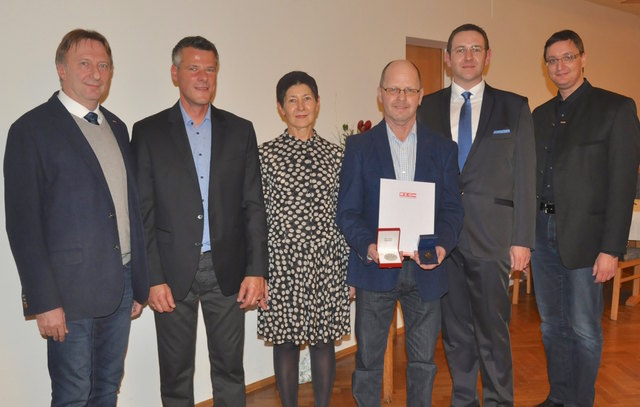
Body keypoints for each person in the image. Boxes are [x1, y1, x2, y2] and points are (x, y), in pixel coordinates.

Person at [4, 29, 149, 406]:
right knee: (72, 394)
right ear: (61, 69)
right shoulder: (30, 130)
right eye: (84, 63)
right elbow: (22, 225)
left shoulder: (117, 127)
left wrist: (136, 282)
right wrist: (43, 301)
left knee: (106, 388)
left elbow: (128, 208)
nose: (96, 73)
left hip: (122, 284)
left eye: (103, 65)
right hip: (67, 295)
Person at [130, 36, 268, 407]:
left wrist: (256, 271)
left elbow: (253, 205)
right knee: (175, 376)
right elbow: (142, 212)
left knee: (230, 371)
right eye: (193, 68)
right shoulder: (147, 132)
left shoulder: (240, 130)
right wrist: (152, 277)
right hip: (172, 275)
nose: (203, 76)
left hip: (227, 271)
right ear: (175, 74)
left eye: (210, 69)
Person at [417, 23, 536, 406]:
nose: (468, 56)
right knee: (454, 333)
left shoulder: (514, 106)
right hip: (442, 239)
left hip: (494, 237)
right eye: (460, 49)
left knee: (493, 330)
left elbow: (525, 178)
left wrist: (522, 239)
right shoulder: (427, 106)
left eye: (476, 49)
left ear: (488, 57)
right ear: (448, 58)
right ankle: (464, 399)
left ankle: (501, 400)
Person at [337, 60, 463, 407]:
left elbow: (453, 209)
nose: (401, 97)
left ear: (421, 96)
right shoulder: (359, 147)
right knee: (368, 363)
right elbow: (347, 212)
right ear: (380, 94)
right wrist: (369, 246)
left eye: (409, 90)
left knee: (423, 362)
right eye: (393, 89)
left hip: (427, 269)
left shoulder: (443, 149)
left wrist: (443, 247)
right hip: (375, 268)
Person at [532, 29, 640, 407]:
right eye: (552, 60)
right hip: (541, 233)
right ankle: (558, 396)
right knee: (551, 327)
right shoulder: (540, 115)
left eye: (567, 57)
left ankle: (581, 401)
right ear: (546, 66)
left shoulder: (616, 107)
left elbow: (624, 185)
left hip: (588, 238)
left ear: (583, 58)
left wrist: (611, 249)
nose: (560, 66)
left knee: (584, 329)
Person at [257, 71, 350, 407]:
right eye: (292, 100)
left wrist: (349, 271)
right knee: (285, 342)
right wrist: (258, 272)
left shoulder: (337, 156)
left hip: (327, 261)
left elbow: (345, 216)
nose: (300, 106)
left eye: (307, 98)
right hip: (281, 262)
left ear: (318, 103)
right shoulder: (264, 156)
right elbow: (255, 217)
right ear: (281, 108)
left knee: (324, 341)